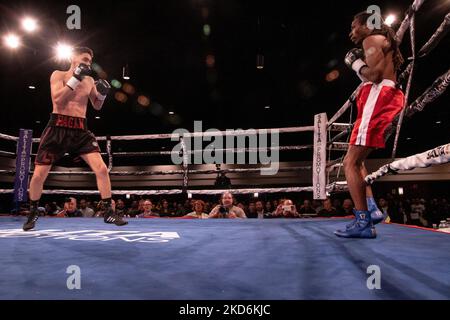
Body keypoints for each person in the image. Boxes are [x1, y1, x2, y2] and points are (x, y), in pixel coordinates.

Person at [23, 47, 127, 230]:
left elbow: (96, 106)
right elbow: (58, 100)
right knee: (39, 174)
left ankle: (108, 212)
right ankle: (32, 212)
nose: (87, 63)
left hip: (80, 130)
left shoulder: (89, 80)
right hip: (57, 127)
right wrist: (75, 77)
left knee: (102, 169)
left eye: (89, 61)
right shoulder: (58, 75)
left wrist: (102, 94)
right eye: (85, 58)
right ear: (73, 57)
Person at [334, 11, 405, 238]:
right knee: (358, 161)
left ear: (367, 25)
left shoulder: (371, 39)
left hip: (379, 96)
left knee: (350, 162)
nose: (351, 31)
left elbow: (373, 75)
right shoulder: (382, 41)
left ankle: (363, 223)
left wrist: (355, 63)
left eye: (354, 26)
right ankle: (371, 209)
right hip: (380, 96)